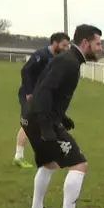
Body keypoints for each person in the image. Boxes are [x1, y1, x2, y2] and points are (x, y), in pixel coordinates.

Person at [22, 24, 103, 208]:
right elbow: (46, 90)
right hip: (41, 120)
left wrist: (62, 117)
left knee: (49, 163)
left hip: (31, 118)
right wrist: (48, 126)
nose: (100, 48)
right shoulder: (69, 62)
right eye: (98, 44)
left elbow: (44, 88)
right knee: (79, 164)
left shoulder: (65, 60)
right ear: (85, 43)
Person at [14, 32, 70, 168]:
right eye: (64, 45)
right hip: (31, 95)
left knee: (42, 123)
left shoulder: (58, 58)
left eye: (68, 46)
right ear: (55, 43)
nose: (66, 48)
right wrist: (28, 93)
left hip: (43, 97)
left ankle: (48, 154)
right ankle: (19, 156)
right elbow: (25, 71)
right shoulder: (41, 55)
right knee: (28, 123)